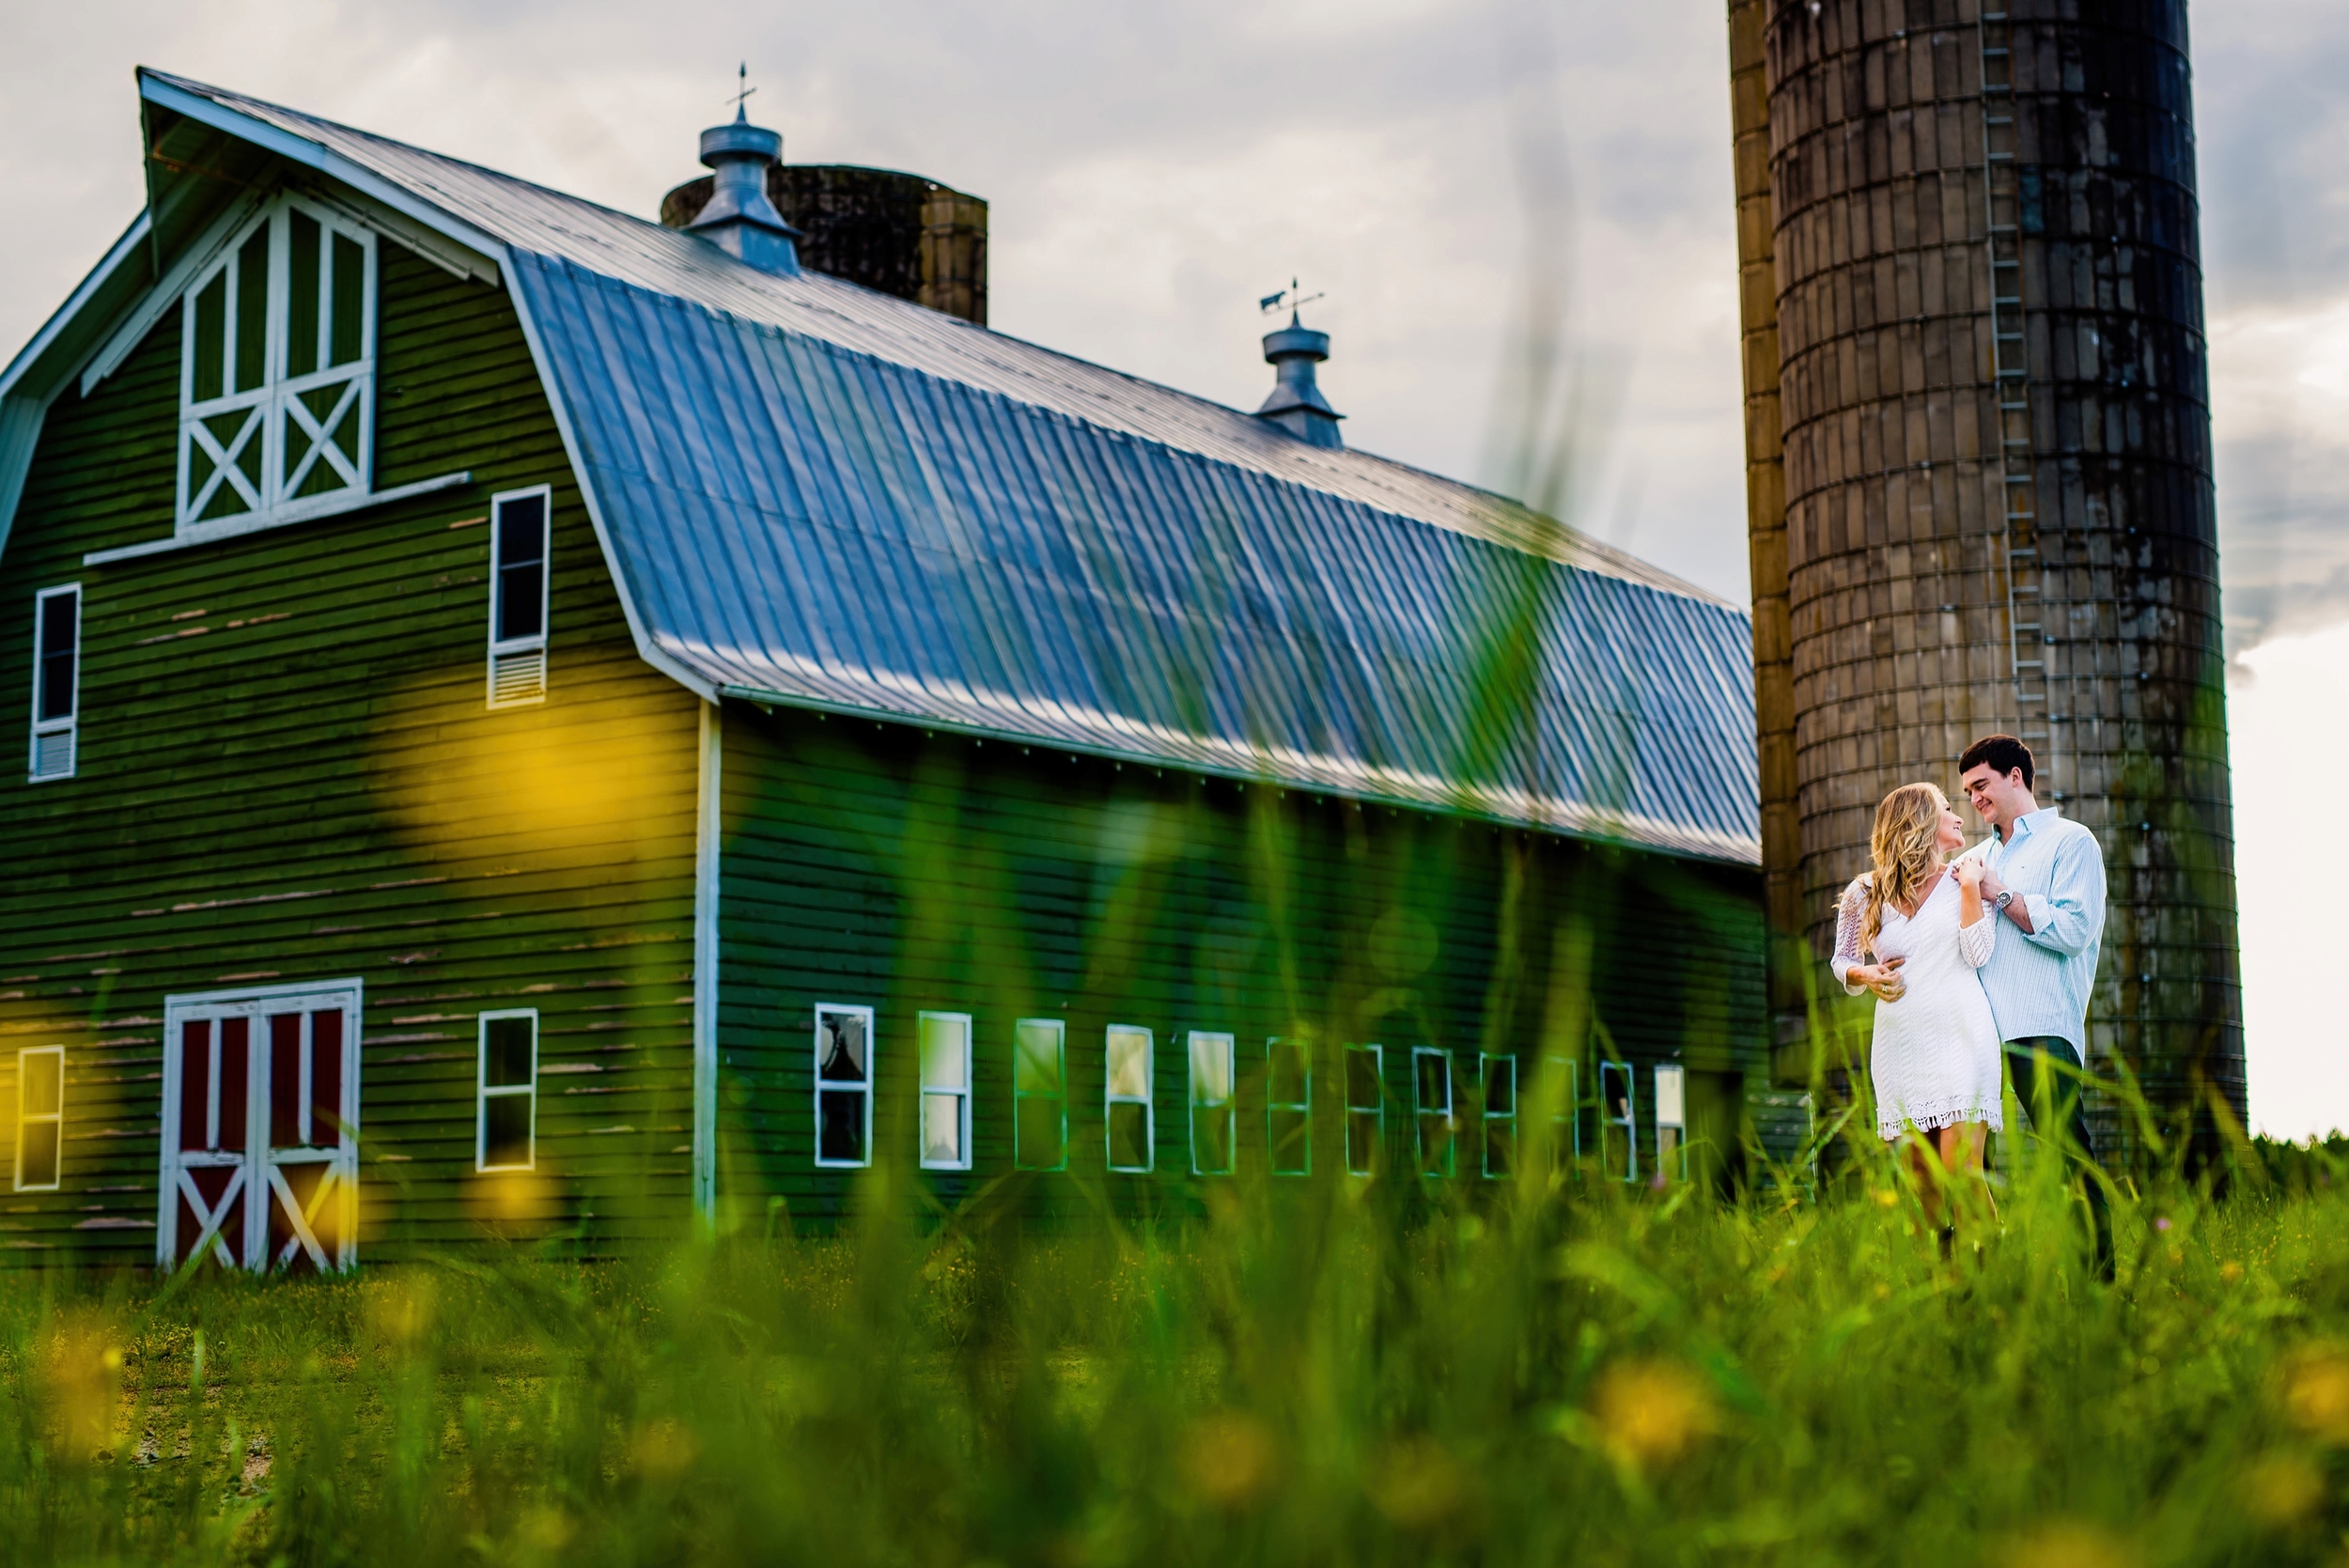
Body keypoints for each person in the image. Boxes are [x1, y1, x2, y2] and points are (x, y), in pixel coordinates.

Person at [1957, 734, 2113, 1275]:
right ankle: (1983, 1291)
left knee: (2065, 1154)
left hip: (2038, 1025)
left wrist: (2000, 893)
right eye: (1968, 791)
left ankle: (2096, 1288)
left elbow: (2073, 929)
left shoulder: (2071, 842)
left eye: (1981, 785)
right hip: (1976, 1035)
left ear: (2015, 776)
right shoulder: (1973, 858)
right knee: (1971, 1166)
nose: (1974, 799)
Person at [1831, 783, 2003, 1249]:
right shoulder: (1863, 893)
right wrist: (1866, 975)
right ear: (1921, 821)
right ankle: (1947, 1288)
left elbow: (1978, 952)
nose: (1960, 815)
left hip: (1963, 1035)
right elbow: (1840, 960)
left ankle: (1998, 1279)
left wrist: (1970, 886)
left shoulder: (1965, 880)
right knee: (1922, 1183)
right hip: (1901, 1043)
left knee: (1961, 1171)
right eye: (1949, 808)